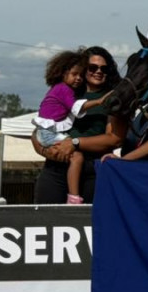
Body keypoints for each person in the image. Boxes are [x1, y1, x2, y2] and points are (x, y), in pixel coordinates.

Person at [33, 46, 126, 204]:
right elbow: (39, 130)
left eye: (104, 68)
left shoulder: (113, 98)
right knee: (44, 221)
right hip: (55, 168)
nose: (98, 71)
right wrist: (45, 150)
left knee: (88, 224)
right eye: (92, 67)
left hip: (92, 172)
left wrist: (74, 143)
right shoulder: (66, 91)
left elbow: (114, 139)